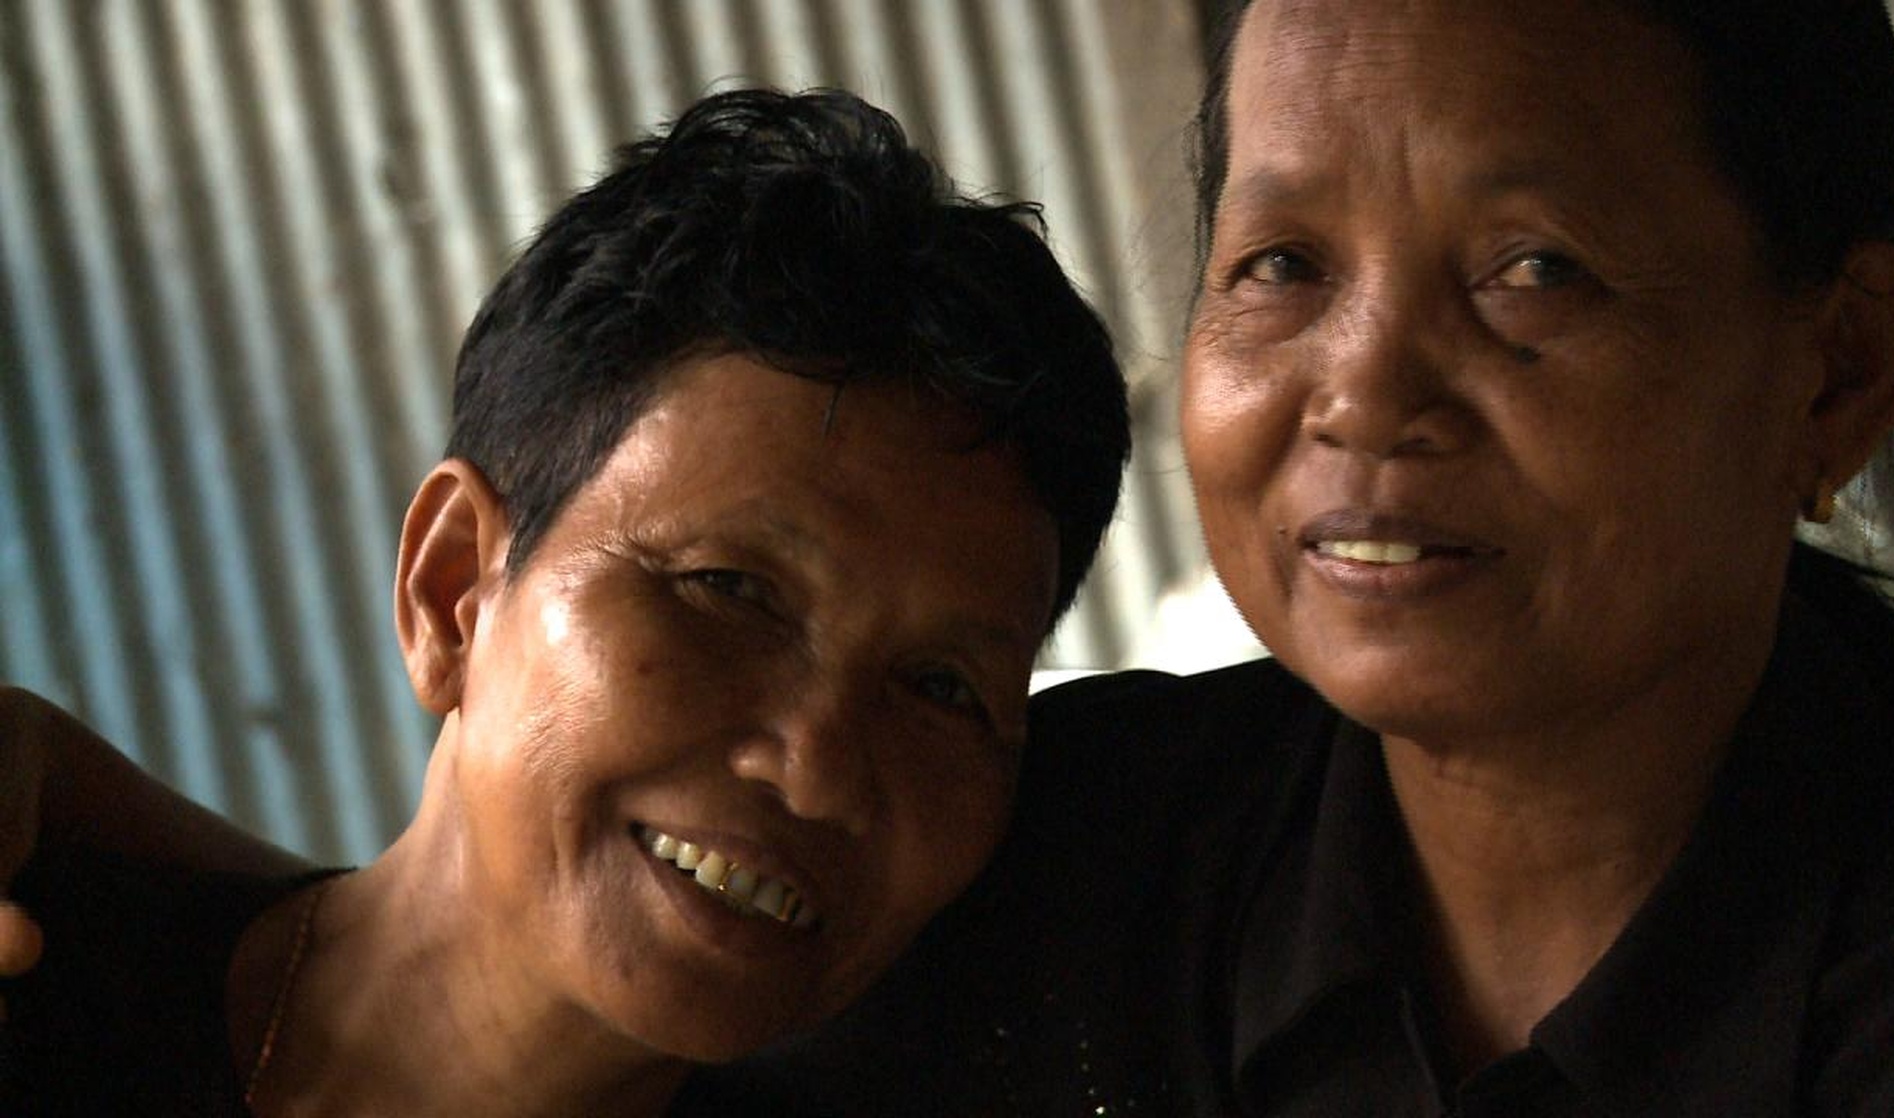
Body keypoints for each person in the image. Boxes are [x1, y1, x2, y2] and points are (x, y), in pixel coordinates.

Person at [7, 0, 1894, 1113]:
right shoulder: (1112, 850)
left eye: (1530, 271)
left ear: (1837, 369)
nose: (1362, 391)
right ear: (453, 582)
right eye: (1282, 263)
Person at [0, 85, 1129, 1116]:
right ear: (451, 591)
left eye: (942, 688)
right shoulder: (44, 980)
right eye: (726, 589)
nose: (818, 770)